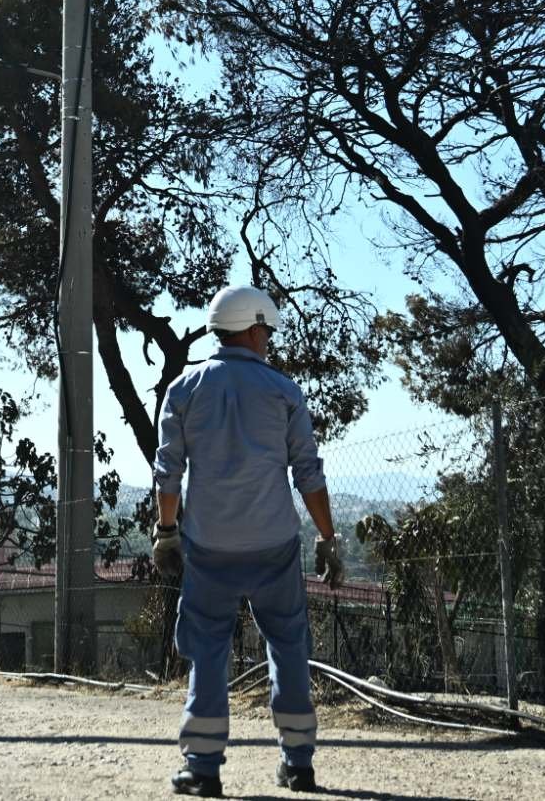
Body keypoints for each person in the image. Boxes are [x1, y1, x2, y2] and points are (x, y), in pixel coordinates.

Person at [152, 285, 343, 797]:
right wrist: (328, 538)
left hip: (209, 546)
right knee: (288, 645)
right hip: (274, 543)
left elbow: (168, 474)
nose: (268, 340)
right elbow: (308, 473)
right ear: (255, 328)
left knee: (208, 648)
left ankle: (202, 768)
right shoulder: (284, 391)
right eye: (267, 331)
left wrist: (167, 533)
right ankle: (298, 763)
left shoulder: (184, 388)